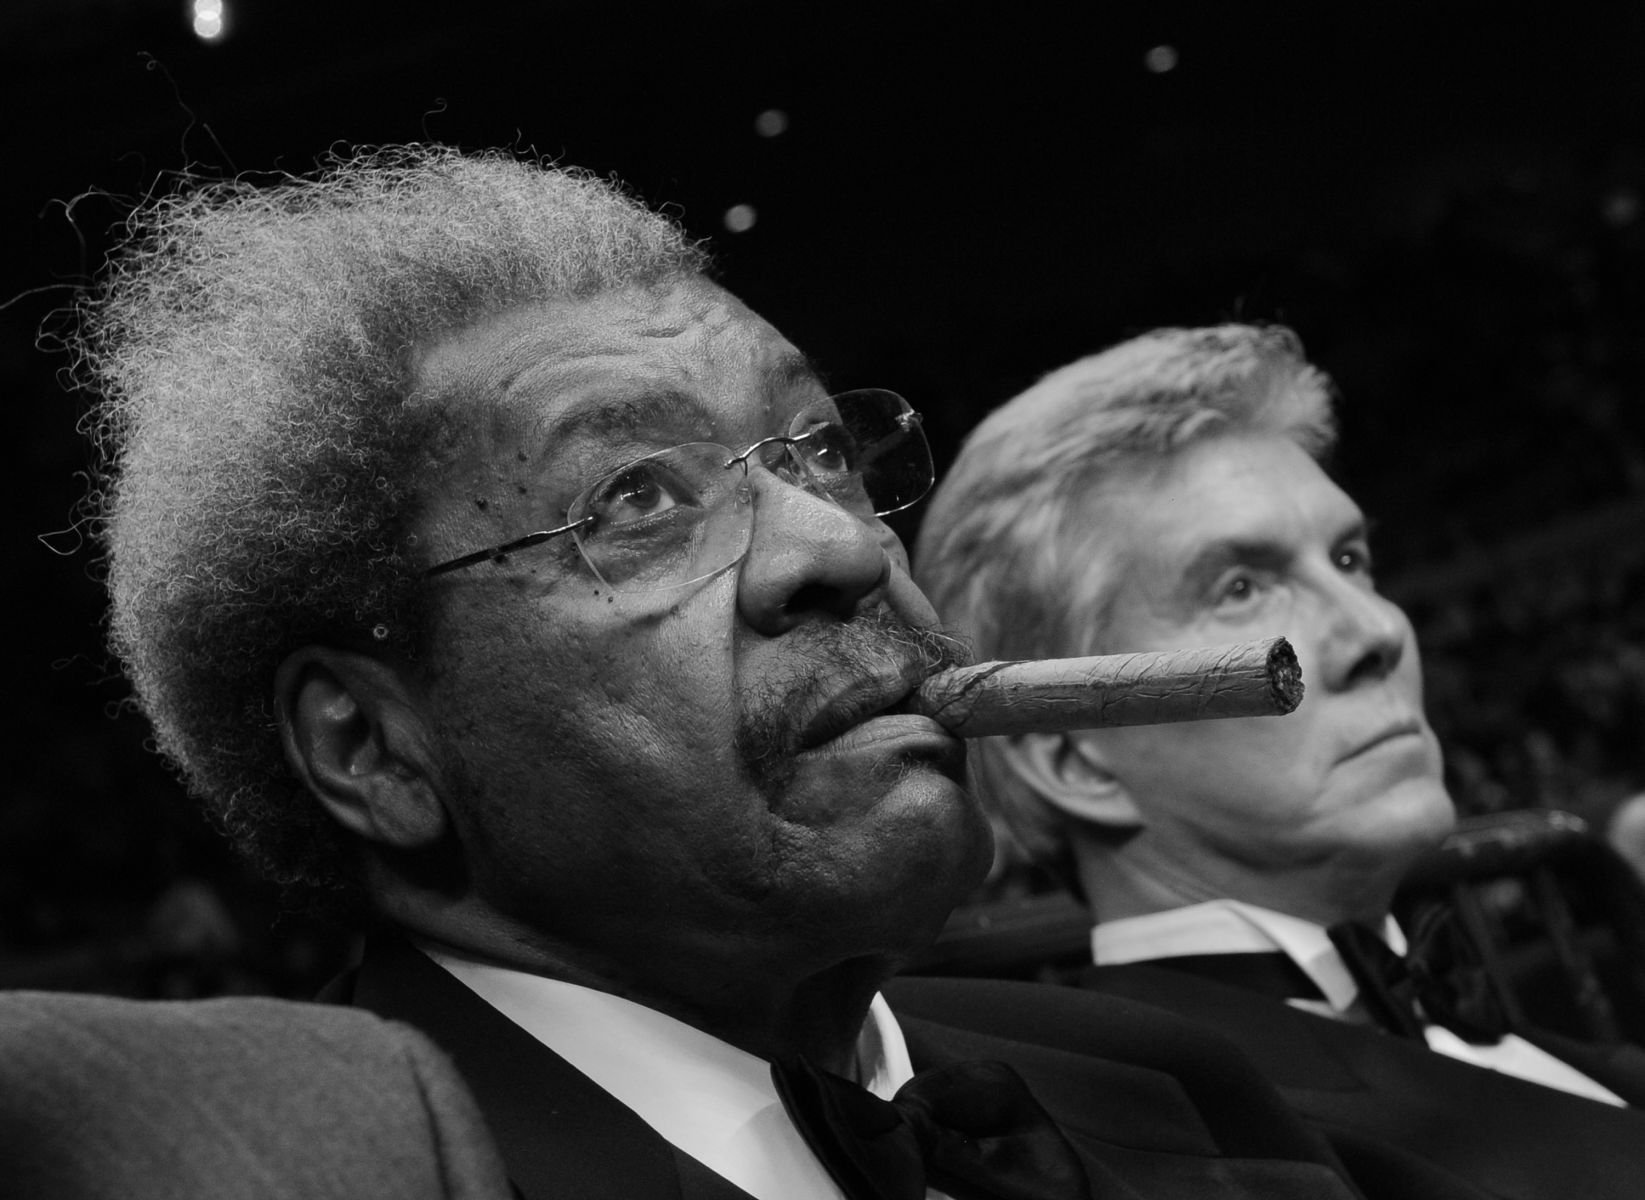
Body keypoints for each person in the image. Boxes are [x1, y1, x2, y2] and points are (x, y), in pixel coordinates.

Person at [67, 147, 1442, 1200]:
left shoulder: (1179, 1084)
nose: (839, 545)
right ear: (369, 748)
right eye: (632, 502)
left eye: (817, 450)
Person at [914, 323, 1645, 1200]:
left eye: (1349, 558)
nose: (1378, 630)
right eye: (1240, 588)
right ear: (1077, 760)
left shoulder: (1553, 1050)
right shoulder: (1132, 1150)